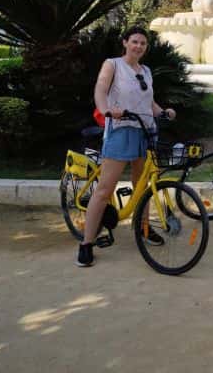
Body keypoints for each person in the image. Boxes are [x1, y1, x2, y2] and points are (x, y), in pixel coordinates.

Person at [76, 26, 175, 267]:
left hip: (146, 131)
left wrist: (164, 112)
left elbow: (148, 101)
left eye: (143, 43)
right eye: (134, 42)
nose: (139, 46)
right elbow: (100, 90)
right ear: (125, 43)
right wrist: (107, 110)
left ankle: (143, 228)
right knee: (105, 189)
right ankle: (87, 243)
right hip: (121, 130)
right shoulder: (113, 65)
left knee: (142, 186)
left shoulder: (146, 70)